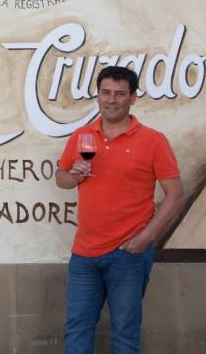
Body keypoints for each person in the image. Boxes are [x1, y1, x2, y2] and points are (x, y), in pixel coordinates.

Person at [55, 66, 185, 354]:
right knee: (76, 329)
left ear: (133, 98)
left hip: (128, 254)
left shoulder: (153, 140)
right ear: (98, 96)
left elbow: (176, 195)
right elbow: (61, 178)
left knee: (125, 335)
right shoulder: (81, 136)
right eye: (105, 93)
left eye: (119, 94)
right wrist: (73, 176)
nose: (111, 100)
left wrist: (146, 238)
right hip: (84, 254)